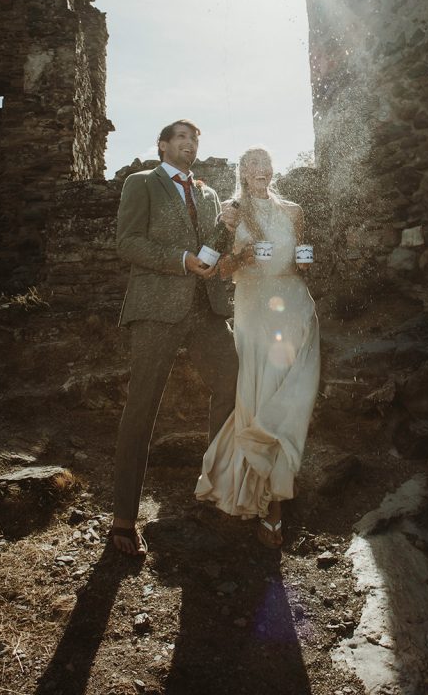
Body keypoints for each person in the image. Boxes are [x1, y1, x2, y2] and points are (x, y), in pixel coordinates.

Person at [110, 119, 238, 555]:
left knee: (235, 381)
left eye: (195, 138)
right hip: (155, 311)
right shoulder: (141, 183)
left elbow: (212, 252)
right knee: (142, 406)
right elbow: (128, 243)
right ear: (162, 145)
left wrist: (226, 233)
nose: (190, 143)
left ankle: (216, 488)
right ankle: (123, 519)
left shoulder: (209, 193)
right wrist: (181, 259)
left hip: (206, 310)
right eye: (181, 137)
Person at [195, 146, 320, 548]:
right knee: (262, 391)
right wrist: (244, 255)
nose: (260, 168)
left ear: (272, 169)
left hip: (293, 303)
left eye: (265, 162)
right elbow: (216, 271)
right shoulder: (231, 213)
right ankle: (268, 499)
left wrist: (303, 263)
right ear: (243, 173)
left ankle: (280, 475)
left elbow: (301, 256)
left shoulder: (293, 211)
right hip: (253, 307)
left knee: (294, 392)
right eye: (252, 163)